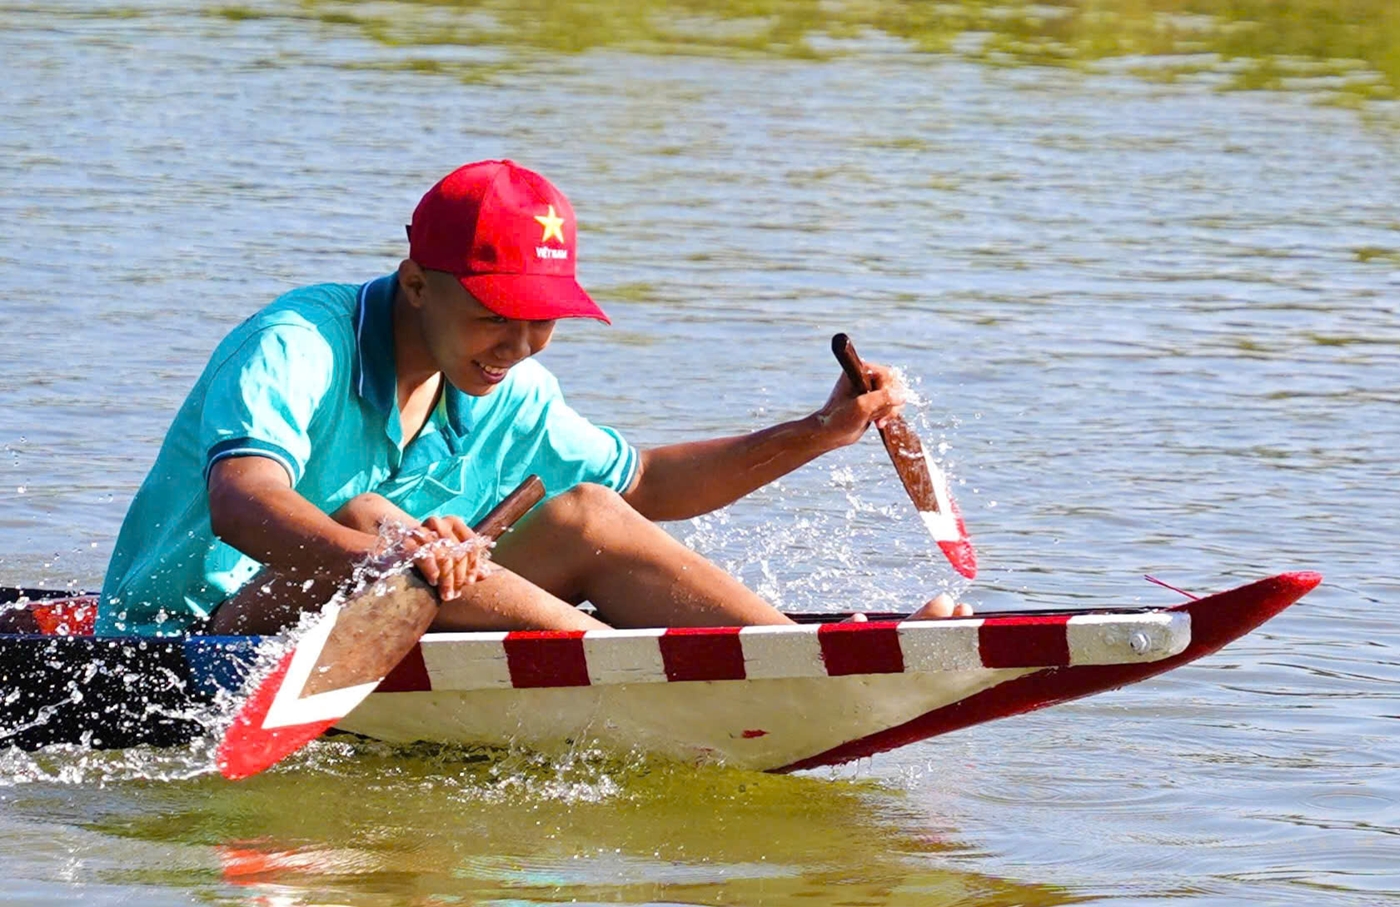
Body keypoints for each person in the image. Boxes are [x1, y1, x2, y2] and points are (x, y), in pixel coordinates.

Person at [97, 160, 970, 638]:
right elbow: (242, 500)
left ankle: (784, 653)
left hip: (372, 616)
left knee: (588, 513)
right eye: (493, 316)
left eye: (541, 321)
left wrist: (818, 431)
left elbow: (648, 486)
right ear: (416, 284)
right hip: (189, 638)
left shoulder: (507, 387)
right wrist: (387, 556)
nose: (516, 347)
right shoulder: (297, 344)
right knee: (374, 519)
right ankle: (638, 672)